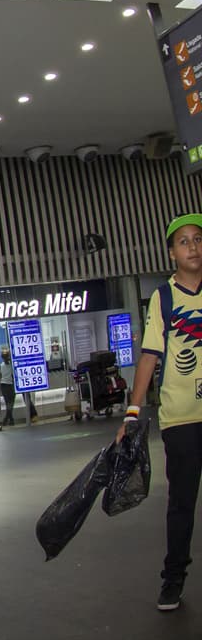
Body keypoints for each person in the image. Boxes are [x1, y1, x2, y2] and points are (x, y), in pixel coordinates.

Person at [118, 214, 202, 611]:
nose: (193, 247)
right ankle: (173, 579)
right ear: (172, 253)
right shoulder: (163, 298)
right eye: (184, 242)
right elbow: (149, 356)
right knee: (182, 504)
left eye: (198, 239)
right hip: (181, 420)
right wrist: (132, 411)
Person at [0, 350, 16, 428]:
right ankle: (9, 419)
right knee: (11, 403)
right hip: (11, 385)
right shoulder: (12, 365)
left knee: (8, 402)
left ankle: (8, 419)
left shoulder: (0, 366)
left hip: (3, 385)